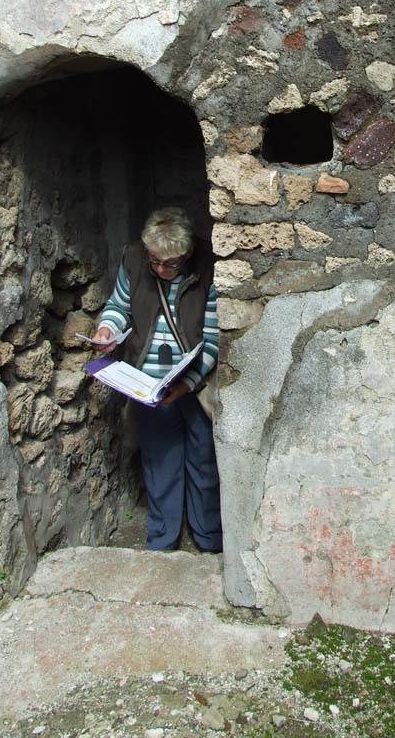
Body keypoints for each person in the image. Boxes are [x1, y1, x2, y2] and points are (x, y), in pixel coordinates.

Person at [92, 207, 222, 553]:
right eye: (155, 262)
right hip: (146, 383)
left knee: (204, 461)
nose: (161, 269)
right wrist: (108, 328)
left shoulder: (208, 266)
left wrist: (187, 383)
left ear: (188, 253)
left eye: (170, 264)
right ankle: (162, 542)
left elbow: (212, 339)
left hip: (193, 384)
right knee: (160, 462)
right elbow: (119, 306)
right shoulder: (135, 260)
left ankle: (209, 539)